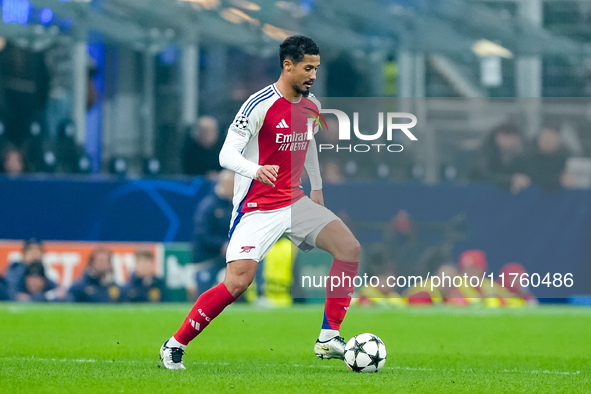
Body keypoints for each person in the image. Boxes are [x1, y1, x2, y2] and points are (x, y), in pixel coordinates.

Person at [160, 35, 361, 370]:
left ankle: (328, 338)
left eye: (316, 68)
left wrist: (317, 186)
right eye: (308, 68)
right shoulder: (259, 104)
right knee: (238, 282)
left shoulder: (311, 105)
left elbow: (307, 141)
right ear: (288, 65)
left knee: (349, 249)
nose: (313, 75)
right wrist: (256, 170)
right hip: (257, 206)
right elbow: (226, 154)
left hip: (295, 200)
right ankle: (174, 344)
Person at [192, 170, 234, 296]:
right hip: (207, 259)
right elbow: (201, 234)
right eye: (231, 184)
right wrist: (222, 245)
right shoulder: (208, 206)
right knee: (206, 295)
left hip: (226, 259)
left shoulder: (233, 205)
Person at [470, 123, 531, 193]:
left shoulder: (522, 153)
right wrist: (511, 179)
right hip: (479, 191)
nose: (507, 141)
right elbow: (482, 175)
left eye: (511, 138)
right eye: (504, 137)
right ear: (497, 137)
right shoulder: (486, 153)